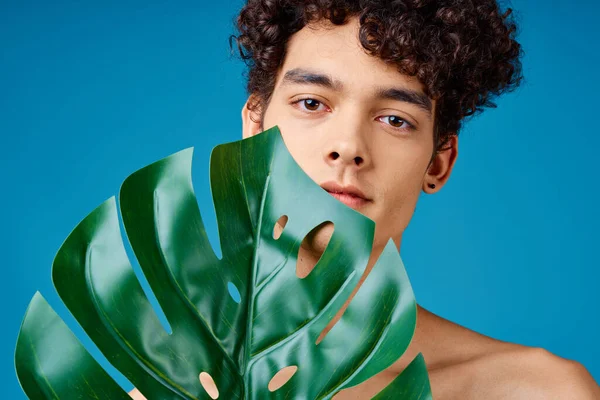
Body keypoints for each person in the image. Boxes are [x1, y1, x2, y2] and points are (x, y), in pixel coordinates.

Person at [131, 0, 600, 399]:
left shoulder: (536, 391)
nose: (349, 146)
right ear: (254, 127)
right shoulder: (163, 391)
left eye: (395, 119)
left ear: (438, 162)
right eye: (311, 103)